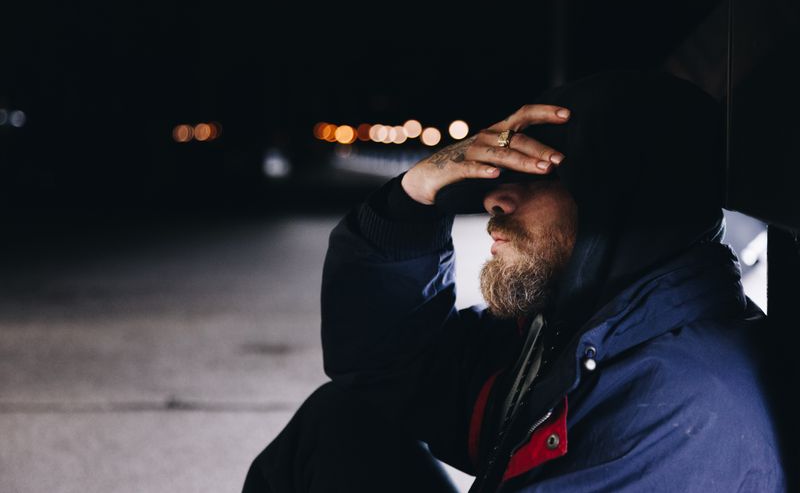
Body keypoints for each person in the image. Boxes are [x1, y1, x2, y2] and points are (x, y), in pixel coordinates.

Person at [242, 70, 785, 492]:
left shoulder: (679, 409)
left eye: (539, 174)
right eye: (506, 172)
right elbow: (386, 369)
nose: (494, 198)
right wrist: (410, 197)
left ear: (617, 201)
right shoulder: (582, 333)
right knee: (341, 424)